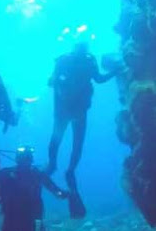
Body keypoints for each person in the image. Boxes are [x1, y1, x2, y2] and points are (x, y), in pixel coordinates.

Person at [45, 41, 120, 191]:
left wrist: (114, 72)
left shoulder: (72, 60)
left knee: (60, 139)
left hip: (68, 109)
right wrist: (115, 71)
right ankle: (66, 169)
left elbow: (51, 81)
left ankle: (56, 166)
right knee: (73, 142)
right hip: (75, 109)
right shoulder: (86, 60)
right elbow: (99, 79)